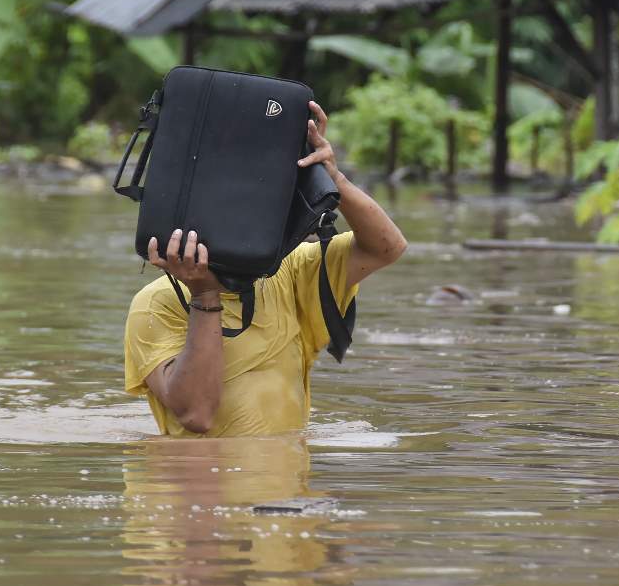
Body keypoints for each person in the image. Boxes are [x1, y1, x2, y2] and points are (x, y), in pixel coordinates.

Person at [123, 101, 407, 437]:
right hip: (203, 485)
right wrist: (205, 294)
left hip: (288, 489)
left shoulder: (289, 272)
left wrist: (333, 177)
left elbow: (386, 247)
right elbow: (197, 415)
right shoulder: (156, 303)